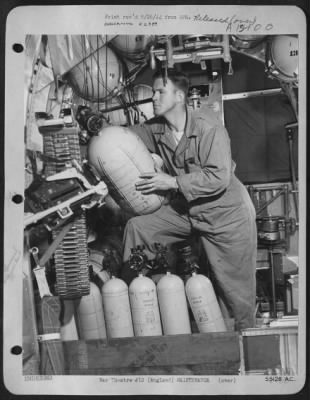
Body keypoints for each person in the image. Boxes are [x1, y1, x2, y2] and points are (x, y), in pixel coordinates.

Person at [121, 68, 257, 331]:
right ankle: (132, 308)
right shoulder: (157, 128)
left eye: (161, 92)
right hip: (188, 210)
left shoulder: (209, 127)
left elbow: (219, 177)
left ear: (180, 96)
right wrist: (99, 130)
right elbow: (127, 135)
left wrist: (171, 182)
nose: (154, 98)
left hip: (227, 215)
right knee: (139, 228)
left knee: (236, 296)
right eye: (154, 92)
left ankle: (243, 355)